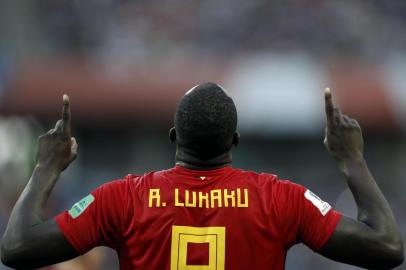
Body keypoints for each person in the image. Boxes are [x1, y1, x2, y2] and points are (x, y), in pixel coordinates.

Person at [0, 83, 403, 269]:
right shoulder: (281, 199)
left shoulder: (120, 199)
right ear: (236, 140)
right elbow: (386, 246)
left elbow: (16, 247)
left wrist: (45, 167)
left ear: (174, 136)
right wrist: (351, 160)